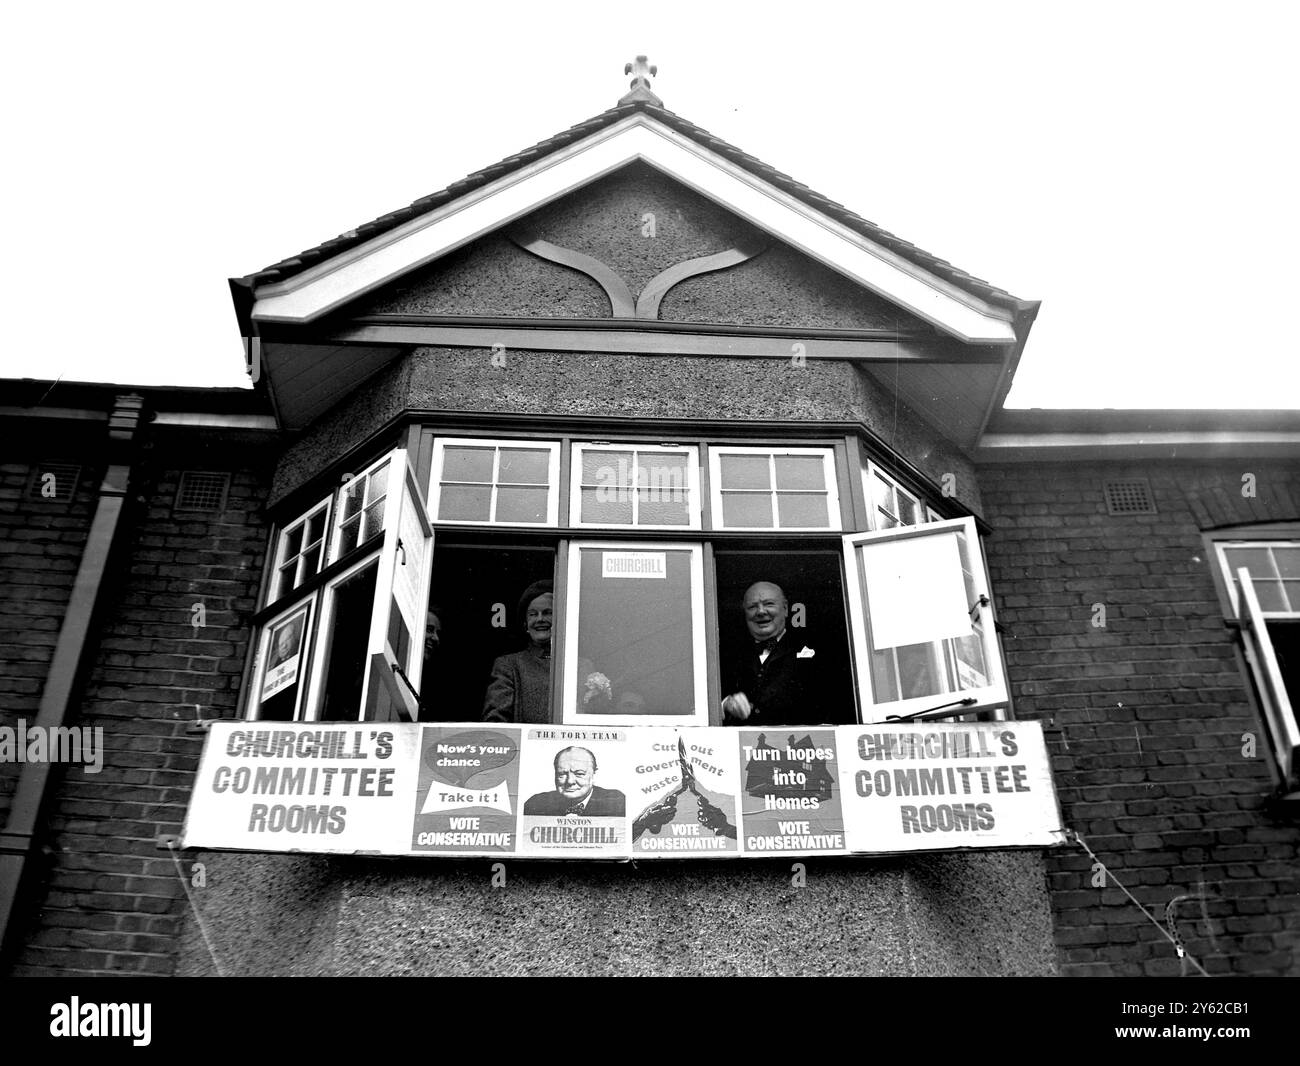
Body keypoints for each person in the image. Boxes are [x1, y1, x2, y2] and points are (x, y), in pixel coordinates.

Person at [721, 580, 827, 726]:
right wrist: (726, 704)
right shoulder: (727, 654)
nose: (761, 611)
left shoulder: (814, 650)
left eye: (769, 604)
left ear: (785, 608)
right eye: (752, 607)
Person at [482, 580, 556, 724]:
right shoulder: (509, 665)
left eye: (548, 613)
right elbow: (495, 720)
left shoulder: (581, 666)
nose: (540, 619)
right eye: (533, 614)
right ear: (526, 625)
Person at [523, 746, 625, 817]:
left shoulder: (617, 802)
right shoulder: (535, 804)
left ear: (594, 775)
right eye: (562, 774)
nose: (570, 781)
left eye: (579, 774)